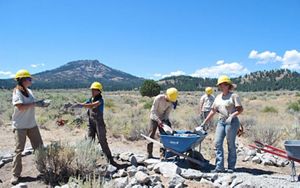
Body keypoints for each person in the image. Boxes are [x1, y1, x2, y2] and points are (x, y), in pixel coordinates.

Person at [11, 69, 47, 185]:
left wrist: (41, 104)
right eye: (29, 79)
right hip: (20, 126)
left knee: (39, 148)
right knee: (18, 151)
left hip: (32, 124)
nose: (31, 80)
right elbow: (20, 107)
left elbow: (31, 105)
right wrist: (36, 104)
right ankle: (16, 175)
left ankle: (43, 169)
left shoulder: (30, 91)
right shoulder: (17, 92)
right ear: (22, 80)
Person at [201, 75, 243, 173]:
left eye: (223, 84)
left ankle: (231, 167)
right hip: (221, 121)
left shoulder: (234, 96)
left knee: (230, 144)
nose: (221, 86)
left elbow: (240, 110)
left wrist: (232, 116)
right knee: (217, 143)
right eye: (220, 85)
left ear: (228, 85)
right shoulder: (218, 97)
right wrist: (205, 121)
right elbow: (213, 110)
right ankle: (219, 167)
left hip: (231, 122)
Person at [77, 82, 118, 166]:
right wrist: (75, 105)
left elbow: (91, 106)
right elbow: (87, 104)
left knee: (102, 141)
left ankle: (110, 160)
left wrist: (81, 105)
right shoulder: (91, 98)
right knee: (89, 140)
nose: (92, 91)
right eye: (92, 90)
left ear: (99, 91)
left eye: (95, 90)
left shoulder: (100, 100)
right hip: (91, 123)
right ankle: (87, 159)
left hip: (99, 123)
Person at [147, 87, 178, 159]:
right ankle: (149, 154)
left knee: (165, 136)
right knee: (151, 135)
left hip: (163, 118)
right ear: (166, 95)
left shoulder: (171, 102)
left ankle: (162, 155)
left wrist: (164, 123)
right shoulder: (158, 98)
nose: (169, 101)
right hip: (154, 117)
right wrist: (158, 120)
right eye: (169, 99)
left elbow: (167, 114)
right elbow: (153, 111)